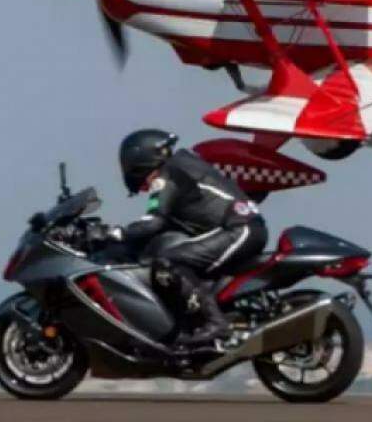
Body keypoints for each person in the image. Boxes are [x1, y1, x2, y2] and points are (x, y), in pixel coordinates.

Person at [112, 129, 267, 348]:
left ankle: (216, 324)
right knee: (173, 255)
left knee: (170, 261)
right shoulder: (180, 166)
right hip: (244, 229)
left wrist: (117, 233)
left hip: (239, 230)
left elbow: (154, 221)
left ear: (139, 159)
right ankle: (195, 321)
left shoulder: (167, 175)